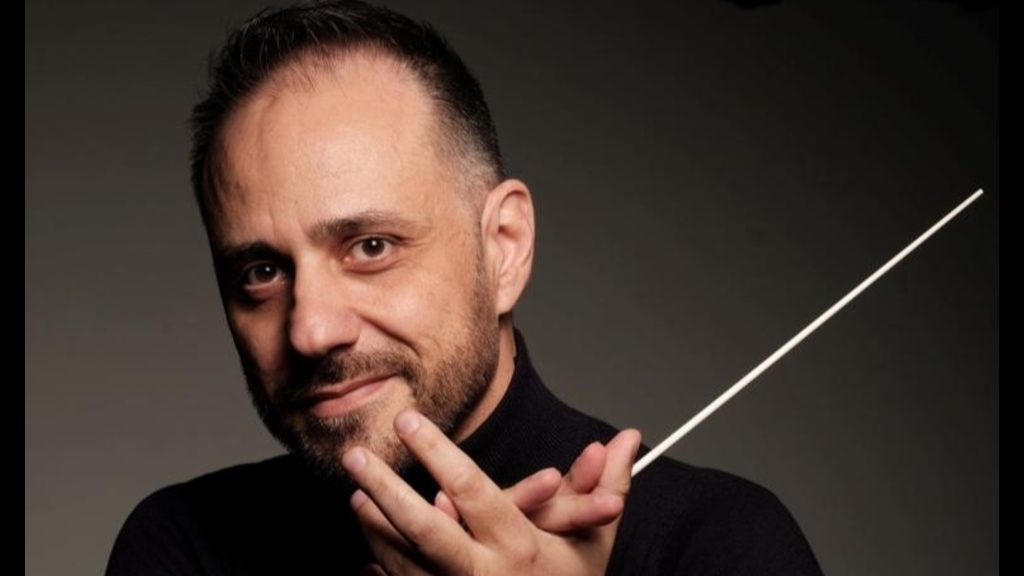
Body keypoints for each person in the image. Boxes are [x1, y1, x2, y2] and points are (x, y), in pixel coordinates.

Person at [106, 1, 824, 574]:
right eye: (261, 272)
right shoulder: (182, 546)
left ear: (503, 248)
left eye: (371, 246)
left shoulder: (720, 544)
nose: (311, 330)